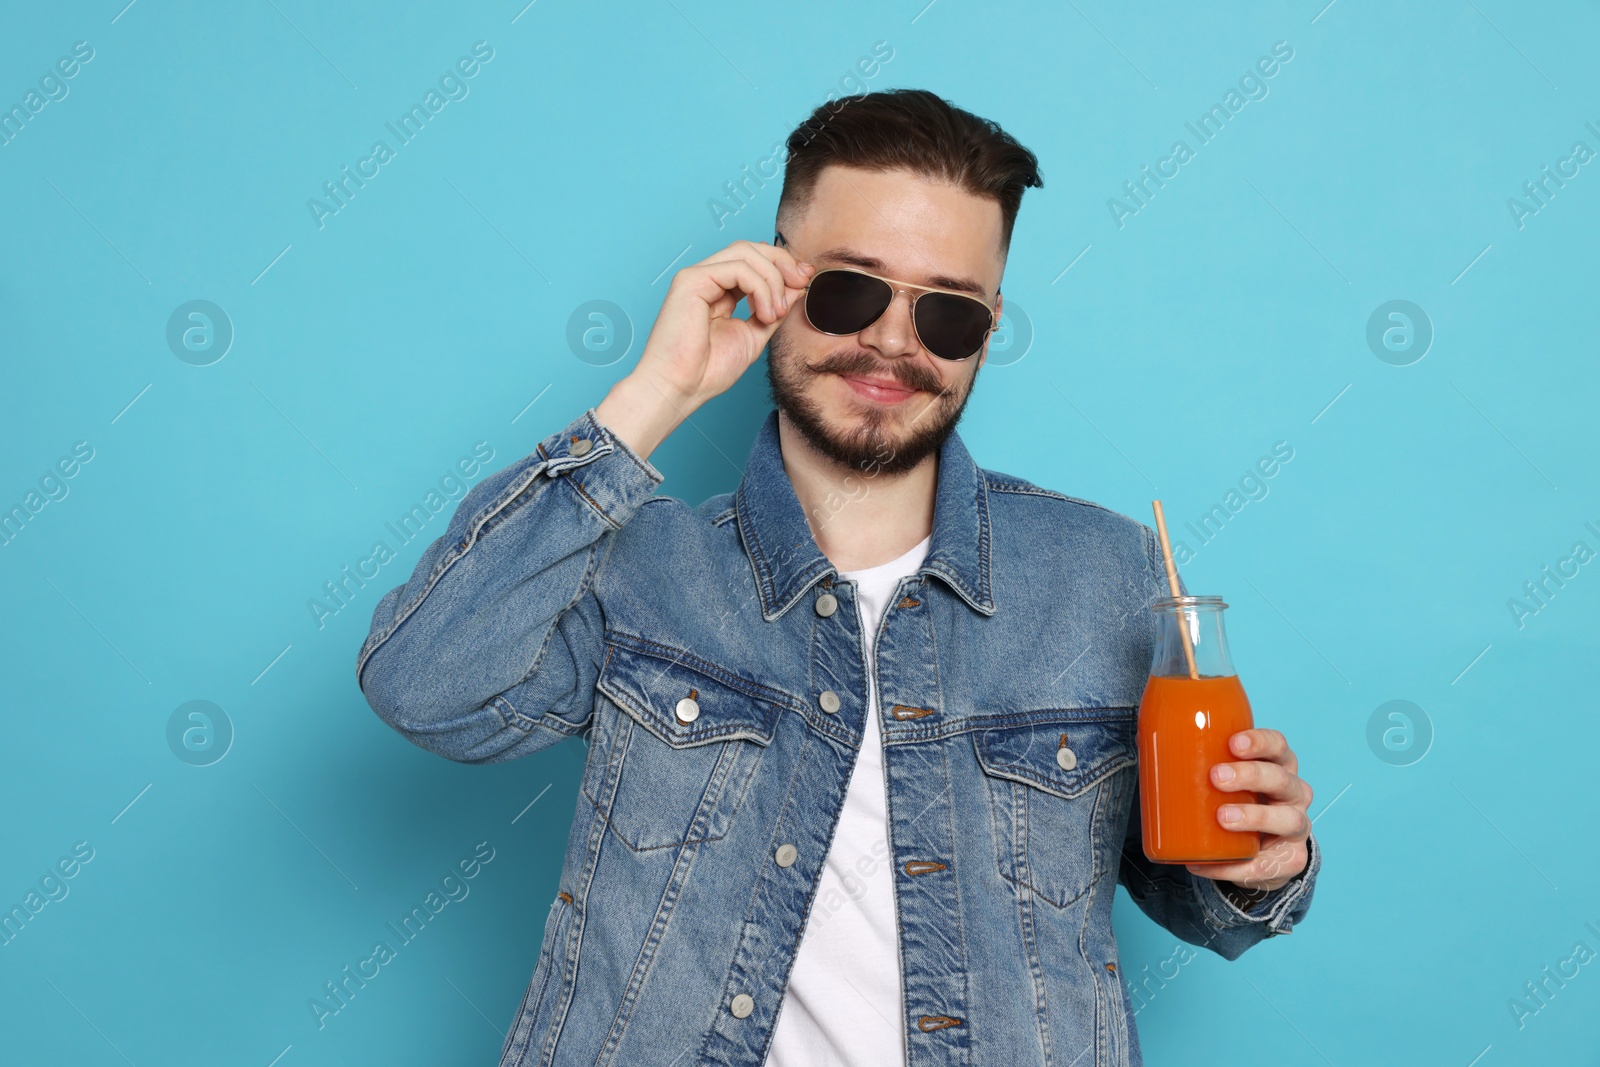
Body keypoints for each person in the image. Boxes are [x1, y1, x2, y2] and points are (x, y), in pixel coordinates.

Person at [356, 87, 1320, 1067]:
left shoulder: (1105, 572)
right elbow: (424, 689)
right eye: (851, 288)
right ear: (774, 275)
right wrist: (653, 397)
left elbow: (1204, 894)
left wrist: (1259, 864)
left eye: (947, 312)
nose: (896, 341)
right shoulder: (639, 568)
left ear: (988, 329)